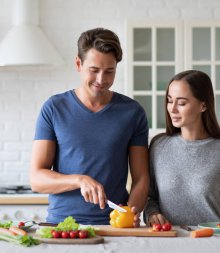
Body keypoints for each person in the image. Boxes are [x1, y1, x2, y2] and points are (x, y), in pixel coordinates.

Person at [30, 28, 149, 225]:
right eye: (94, 70)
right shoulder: (54, 108)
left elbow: (141, 178)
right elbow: (37, 179)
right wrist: (79, 180)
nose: (102, 80)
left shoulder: (132, 112)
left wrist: (131, 213)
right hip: (62, 225)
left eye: (109, 71)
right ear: (79, 64)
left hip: (114, 226)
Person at [144, 70, 220, 226]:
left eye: (182, 103)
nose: (172, 108)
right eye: (170, 100)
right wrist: (152, 213)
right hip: (169, 239)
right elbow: (149, 196)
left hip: (212, 239)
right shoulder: (159, 145)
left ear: (203, 105)